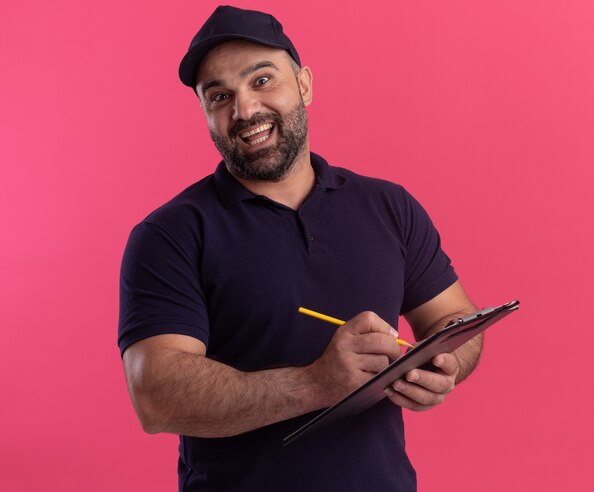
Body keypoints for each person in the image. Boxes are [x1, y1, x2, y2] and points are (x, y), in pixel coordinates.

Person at [118, 6, 482, 491]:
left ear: (304, 85)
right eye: (220, 96)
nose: (245, 110)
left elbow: (455, 318)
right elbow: (155, 395)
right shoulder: (170, 235)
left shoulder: (389, 206)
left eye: (262, 80)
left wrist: (445, 363)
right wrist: (316, 383)